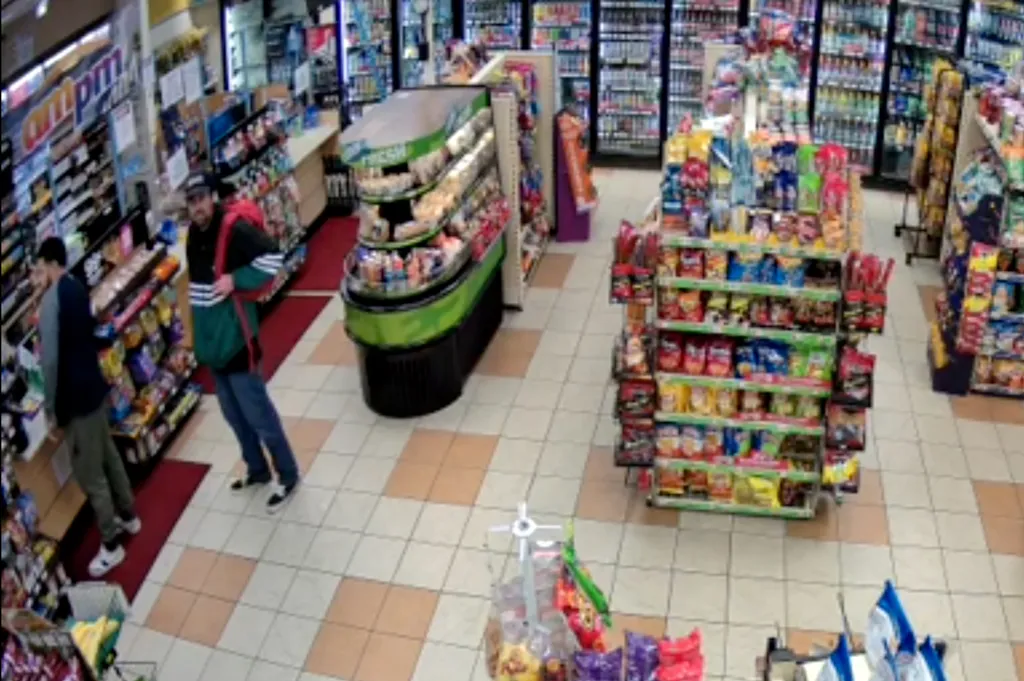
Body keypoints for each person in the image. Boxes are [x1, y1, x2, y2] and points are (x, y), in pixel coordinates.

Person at [183, 171, 299, 512]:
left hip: (237, 342)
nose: (197, 206)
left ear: (213, 197)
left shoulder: (233, 229)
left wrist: (235, 279)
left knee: (259, 414)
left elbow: (273, 256)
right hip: (214, 347)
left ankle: (288, 475)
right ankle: (257, 470)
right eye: (191, 201)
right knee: (235, 417)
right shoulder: (193, 235)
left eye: (202, 198)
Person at [35, 237, 141, 578]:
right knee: (109, 455)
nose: (37, 276)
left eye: (38, 268)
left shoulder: (51, 302)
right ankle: (129, 515)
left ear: (48, 263)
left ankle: (111, 544)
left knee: (90, 474)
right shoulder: (77, 286)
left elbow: (50, 362)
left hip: (75, 400)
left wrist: (51, 410)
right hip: (94, 388)